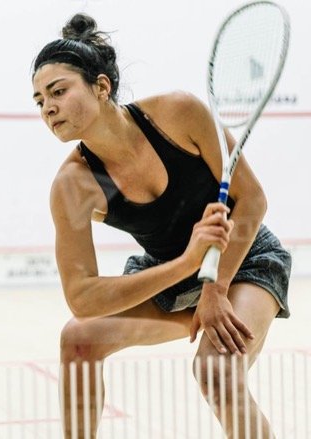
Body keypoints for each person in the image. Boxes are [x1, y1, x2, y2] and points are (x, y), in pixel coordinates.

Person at [31, 12, 291, 438]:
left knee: (216, 370)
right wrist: (186, 264)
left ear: (101, 86)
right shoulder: (74, 186)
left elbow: (253, 201)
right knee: (78, 340)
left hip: (245, 264)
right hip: (171, 274)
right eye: (40, 100)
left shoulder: (179, 114)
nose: (49, 108)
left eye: (58, 91)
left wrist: (215, 287)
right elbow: (82, 297)